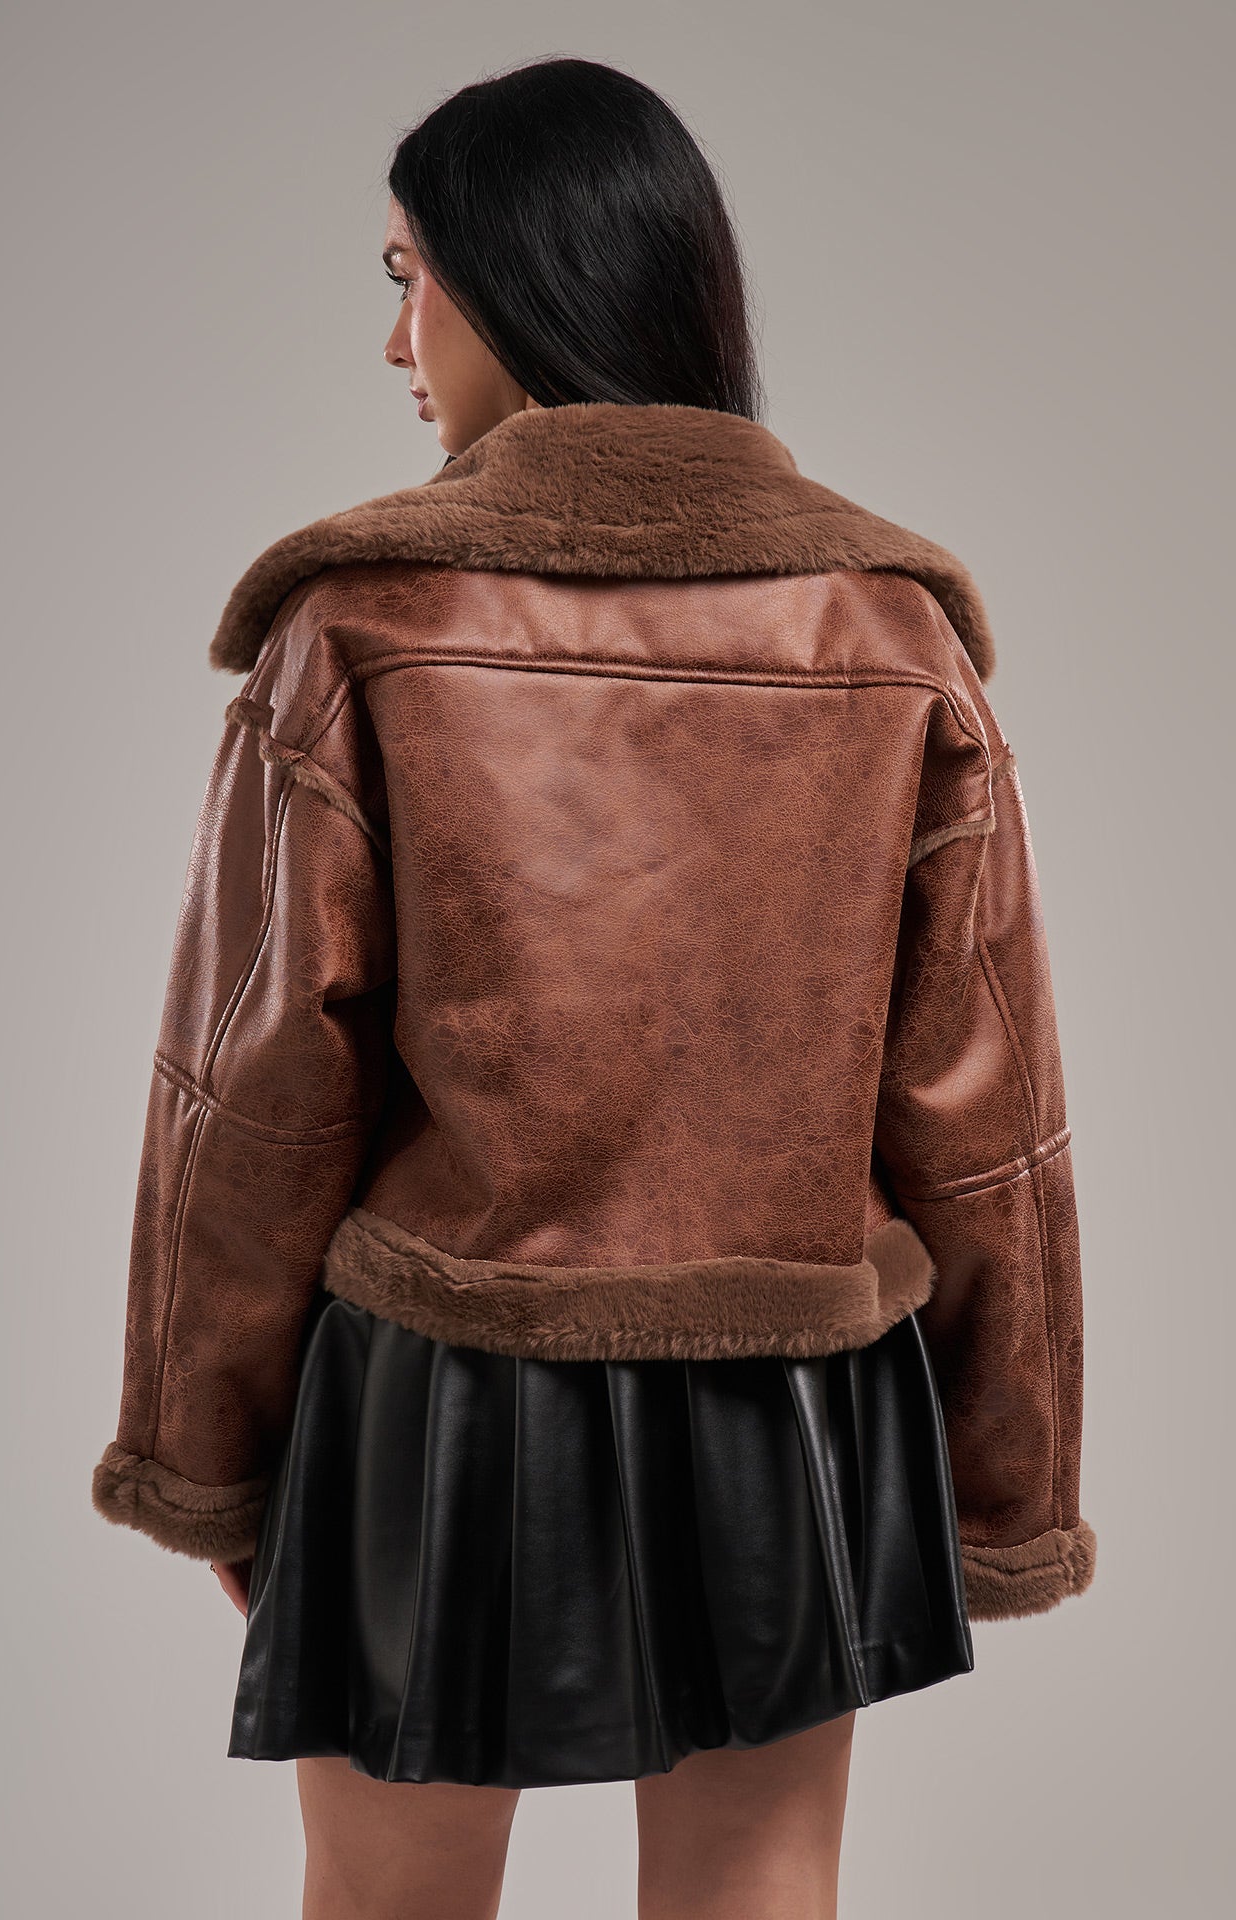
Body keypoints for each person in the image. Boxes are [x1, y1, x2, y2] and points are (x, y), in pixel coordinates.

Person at [90, 54, 1096, 1920]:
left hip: (440, 1393)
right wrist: (1006, 1475)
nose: (396, 342)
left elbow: (254, 1090)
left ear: (511, 273)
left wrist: (206, 1449)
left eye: (410, 278)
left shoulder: (362, 621)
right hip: (791, 1391)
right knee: (759, 1889)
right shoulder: (891, 631)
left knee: (388, 1905)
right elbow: (984, 1103)